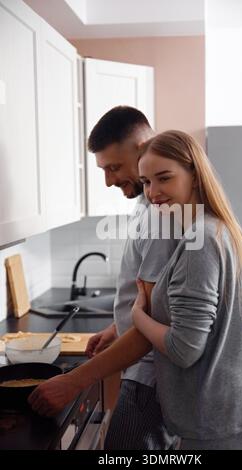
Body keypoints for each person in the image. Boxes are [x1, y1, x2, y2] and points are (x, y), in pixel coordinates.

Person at [29, 107, 178, 450]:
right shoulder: (146, 203)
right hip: (141, 368)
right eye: (104, 169)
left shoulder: (160, 214)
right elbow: (150, 299)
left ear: (143, 147)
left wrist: (75, 381)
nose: (109, 181)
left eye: (113, 167)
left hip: (150, 378)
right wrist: (116, 327)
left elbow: (152, 325)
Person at [130, 130, 242, 450]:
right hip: (240, 409)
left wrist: (138, 315)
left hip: (220, 422)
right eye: (145, 182)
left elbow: (184, 349)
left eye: (163, 178)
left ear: (194, 176)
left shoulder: (201, 242)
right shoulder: (216, 227)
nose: (153, 192)